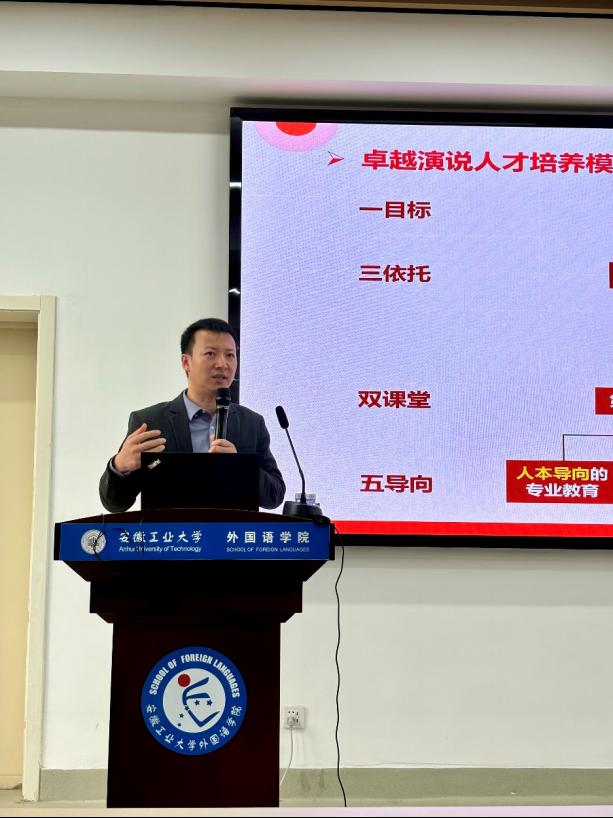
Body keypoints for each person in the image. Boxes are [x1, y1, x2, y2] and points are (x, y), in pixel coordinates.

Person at [99, 318, 285, 512]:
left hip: (233, 532)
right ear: (186, 362)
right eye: (211, 353)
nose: (222, 364)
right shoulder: (151, 422)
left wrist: (240, 468)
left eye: (230, 355)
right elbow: (115, 504)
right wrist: (119, 466)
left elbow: (274, 495)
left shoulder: (252, 423)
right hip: (170, 532)